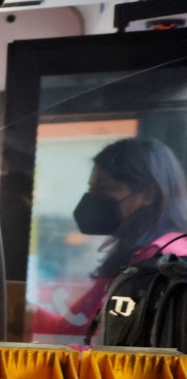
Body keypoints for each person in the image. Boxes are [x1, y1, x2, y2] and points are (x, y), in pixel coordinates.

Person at [29, 136, 187, 340]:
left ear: (148, 194)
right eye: (90, 188)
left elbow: (107, 347)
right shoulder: (131, 256)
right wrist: (23, 312)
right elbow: (78, 328)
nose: (92, 199)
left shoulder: (164, 260)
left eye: (105, 189)